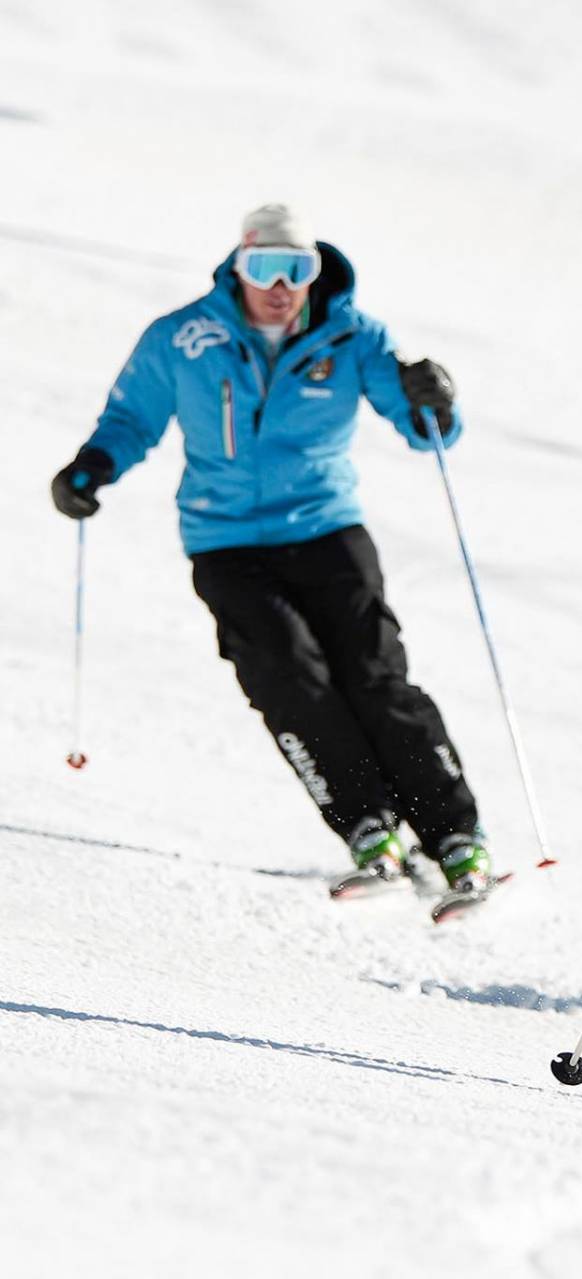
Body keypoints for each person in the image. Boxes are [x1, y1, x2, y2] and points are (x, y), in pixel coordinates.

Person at [50, 204, 492, 896]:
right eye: (265, 268)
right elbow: (132, 416)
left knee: (374, 673)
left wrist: (431, 400)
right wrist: (94, 465)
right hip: (226, 539)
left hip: (325, 526)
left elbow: (421, 425)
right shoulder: (184, 338)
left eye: (298, 269)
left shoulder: (352, 336)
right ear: (238, 265)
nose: (281, 286)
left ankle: (455, 835)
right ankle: (369, 826)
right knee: (288, 676)